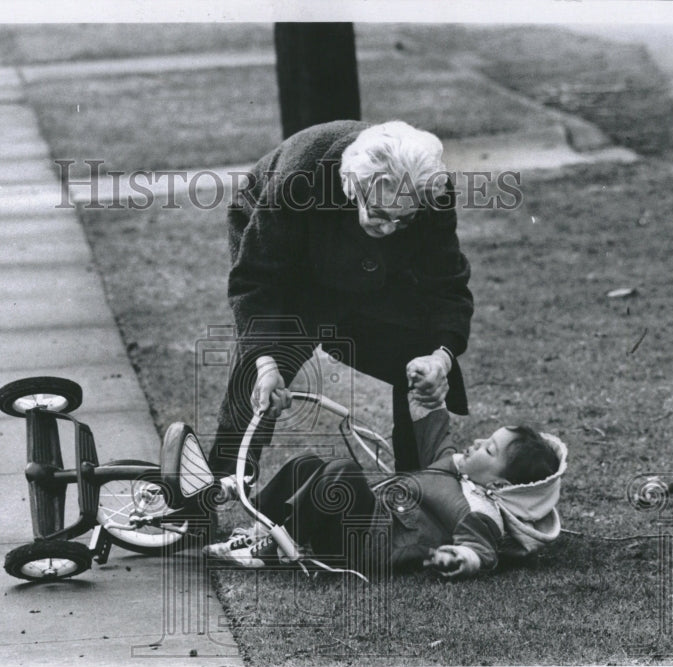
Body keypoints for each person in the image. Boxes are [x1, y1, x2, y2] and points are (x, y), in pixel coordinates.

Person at [209, 119, 474, 496]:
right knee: (263, 367)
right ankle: (204, 495)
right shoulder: (299, 180)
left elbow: (446, 282)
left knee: (416, 356)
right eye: (380, 214)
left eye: (405, 219)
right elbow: (257, 281)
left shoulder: (432, 193)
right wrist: (265, 361)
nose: (389, 229)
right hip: (282, 239)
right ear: (353, 186)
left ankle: (420, 493)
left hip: (361, 257)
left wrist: (441, 357)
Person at [203, 393, 568, 580]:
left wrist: (461, 558)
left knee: (343, 473)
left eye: (489, 448)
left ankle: (278, 549)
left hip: (365, 545)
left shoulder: (480, 513)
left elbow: (481, 550)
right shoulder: (458, 469)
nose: (477, 443)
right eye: (486, 438)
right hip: (362, 522)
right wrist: (429, 394)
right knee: (309, 463)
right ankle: (259, 530)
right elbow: (435, 432)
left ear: (499, 484)